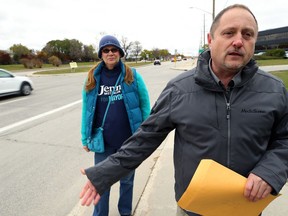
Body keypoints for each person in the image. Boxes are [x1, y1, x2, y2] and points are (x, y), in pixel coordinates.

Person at [80, 5, 288, 216]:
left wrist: (269, 172)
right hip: (192, 209)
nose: (238, 41)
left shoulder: (274, 90)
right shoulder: (179, 90)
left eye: (247, 34)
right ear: (211, 39)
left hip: (246, 209)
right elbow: (144, 139)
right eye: (228, 33)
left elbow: (285, 140)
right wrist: (103, 174)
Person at [80, 34, 150, 216]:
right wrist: (85, 138)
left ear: (120, 52)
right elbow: (86, 111)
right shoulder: (92, 78)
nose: (110, 53)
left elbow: (144, 104)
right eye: (106, 50)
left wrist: (145, 134)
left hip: (128, 141)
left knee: (127, 182)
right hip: (103, 143)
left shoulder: (131, 75)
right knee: (101, 182)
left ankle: (125, 212)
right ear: (101, 54)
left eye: (114, 49)